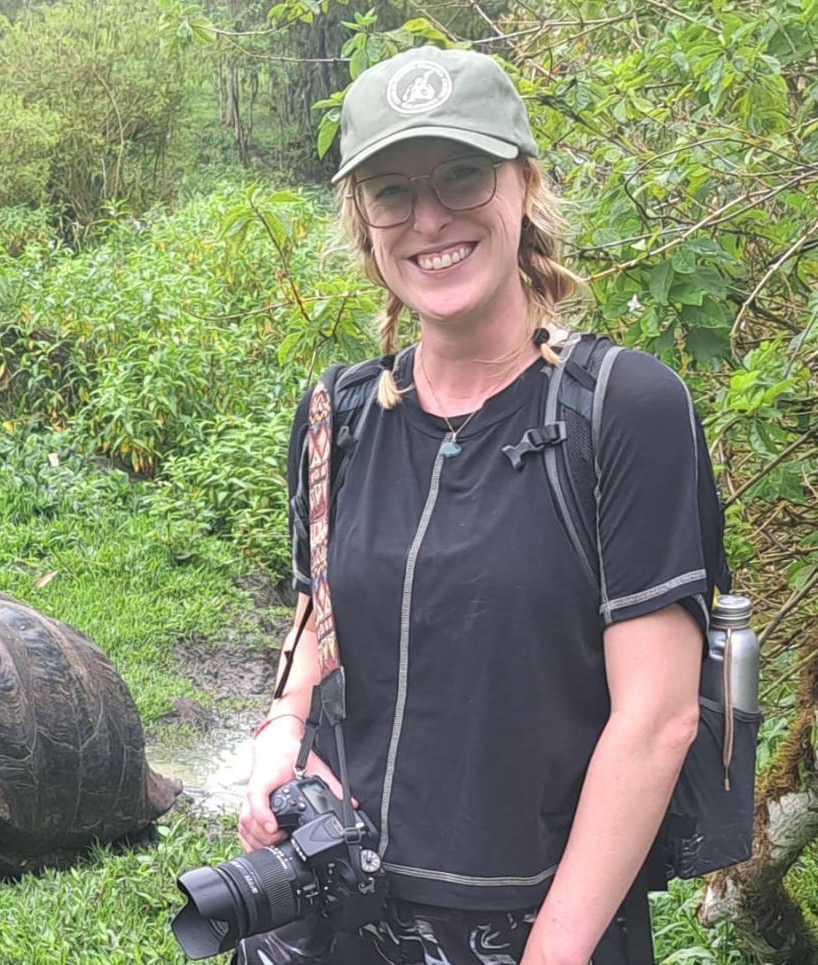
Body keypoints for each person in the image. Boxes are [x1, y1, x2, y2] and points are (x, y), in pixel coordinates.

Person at [235, 46, 724, 965]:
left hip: (536, 922)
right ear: (363, 220)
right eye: (391, 191)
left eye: (461, 175)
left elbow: (657, 717)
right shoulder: (331, 416)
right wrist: (280, 732)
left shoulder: (621, 409)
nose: (429, 220)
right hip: (332, 903)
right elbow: (317, 617)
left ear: (523, 185)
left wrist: (555, 948)